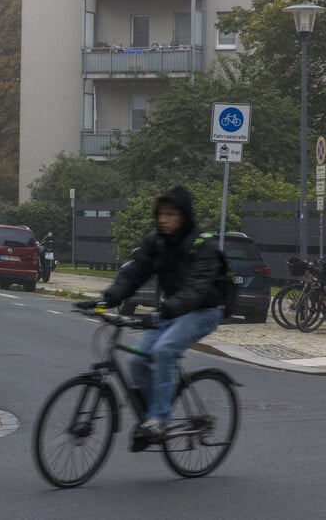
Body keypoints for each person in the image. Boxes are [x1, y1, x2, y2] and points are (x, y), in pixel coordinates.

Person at [78, 185, 225, 452]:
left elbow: (198, 287)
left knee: (164, 350)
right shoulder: (156, 241)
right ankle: (150, 417)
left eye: (170, 214)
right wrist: (106, 300)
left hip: (203, 311)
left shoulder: (202, 244)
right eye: (160, 214)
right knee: (136, 359)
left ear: (184, 215)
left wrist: (164, 311)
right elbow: (134, 272)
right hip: (172, 312)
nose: (164, 220)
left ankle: (160, 420)